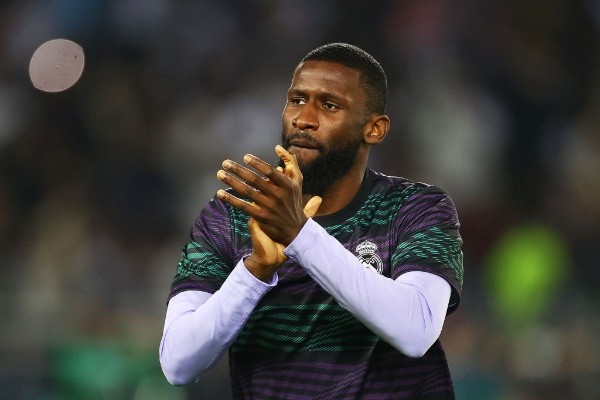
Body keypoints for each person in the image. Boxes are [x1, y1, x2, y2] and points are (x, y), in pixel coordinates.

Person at [160, 42, 464, 399]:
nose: (304, 119)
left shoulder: (415, 208)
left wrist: (300, 236)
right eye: (297, 100)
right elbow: (177, 364)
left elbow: (417, 330)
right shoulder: (230, 216)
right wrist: (254, 271)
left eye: (329, 105)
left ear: (374, 129)